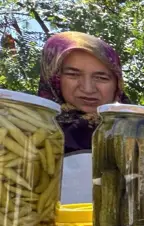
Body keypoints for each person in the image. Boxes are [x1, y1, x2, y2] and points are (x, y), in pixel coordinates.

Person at [38, 32, 127, 204]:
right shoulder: (26, 132)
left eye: (101, 77)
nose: (87, 88)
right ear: (54, 77)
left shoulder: (141, 132)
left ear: (117, 83)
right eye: (73, 74)